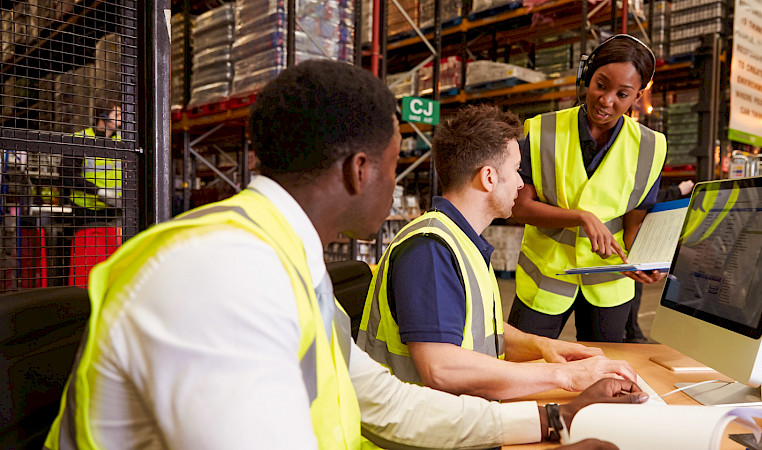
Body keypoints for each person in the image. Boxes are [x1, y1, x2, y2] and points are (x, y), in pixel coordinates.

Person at [44, 60, 646, 450]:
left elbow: (385, 401)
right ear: (359, 172)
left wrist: (552, 422)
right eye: (392, 166)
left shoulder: (293, 264)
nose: (399, 183)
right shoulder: (219, 275)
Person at [359, 105, 638, 401]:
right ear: (489, 178)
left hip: (455, 420)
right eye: (516, 170)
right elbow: (441, 368)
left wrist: (544, 347)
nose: (520, 182)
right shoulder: (430, 249)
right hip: (414, 436)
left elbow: (481, 331)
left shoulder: (459, 240)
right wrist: (565, 376)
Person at [509, 34, 669, 342]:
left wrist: (644, 260)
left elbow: (634, 220)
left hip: (609, 280)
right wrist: (580, 217)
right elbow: (520, 207)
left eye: (622, 94)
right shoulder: (542, 129)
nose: (607, 100)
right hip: (546, 275)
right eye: (601, 85)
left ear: (637, 98)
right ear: (587, 77)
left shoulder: (651, 147)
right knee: (520, 361)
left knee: (604, 373)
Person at [624, 179, 695, 343]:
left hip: (630, 248)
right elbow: (646, 198)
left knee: (634, 290)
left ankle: (633, 332)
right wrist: (676, 191)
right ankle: (633, 333)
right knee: (634, 289)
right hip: (624, 250)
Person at [63, 101, 124, 225]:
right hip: (86, 211)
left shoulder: (122, 142)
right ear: (103, 117)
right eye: (117, 115)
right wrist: (98, 192)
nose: (121, 119)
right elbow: (67, 175)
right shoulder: (80, 139)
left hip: (115, 210)